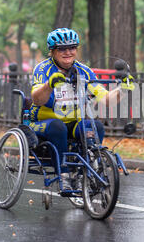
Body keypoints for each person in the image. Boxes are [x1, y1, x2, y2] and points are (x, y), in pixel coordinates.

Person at [30, 28, 134, 190]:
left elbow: (106, 99)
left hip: (72, 122)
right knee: (58, 127)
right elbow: (37, 99)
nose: (68, 52)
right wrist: (49, 84)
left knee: (95, 126)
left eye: (72, 48)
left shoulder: (84, 71)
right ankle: (64, 175)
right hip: (42, 123)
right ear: (52, 51)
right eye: (62, 49)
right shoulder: (42, 69)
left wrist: (123, 90)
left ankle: (89, 171)